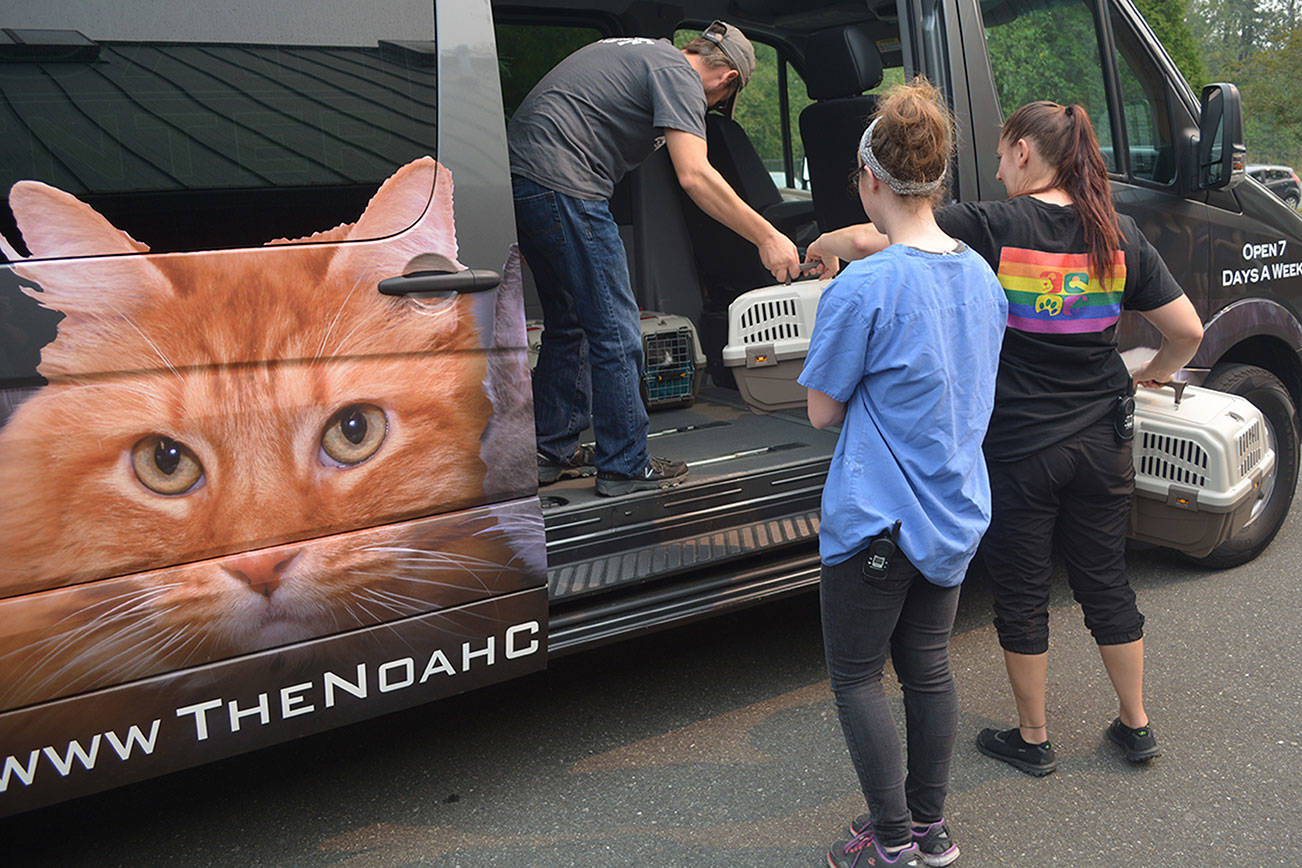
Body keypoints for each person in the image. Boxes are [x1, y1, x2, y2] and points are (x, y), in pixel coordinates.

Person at [806, 100, 1205, 777]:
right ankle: (1135, 724)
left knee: (1023, 592)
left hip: (1022, 443)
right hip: (1103, 437)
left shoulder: (994, 225)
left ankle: (1034, 736)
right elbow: (1188, 332)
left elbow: (888, 238)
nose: (996, 166)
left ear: (1024, 151)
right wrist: (1149, 377)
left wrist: (823, 245)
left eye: (999, 153)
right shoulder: (1119, 233)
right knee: (1105, 579)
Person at [799, 79, 1007, 868]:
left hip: (878, 519)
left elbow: (823, 411)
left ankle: (887, 842)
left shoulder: (866, 288)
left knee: (857, 677)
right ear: (938, 178)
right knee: (927, 666)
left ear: (870, 180)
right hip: (954, 510)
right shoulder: (981, 278)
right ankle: (930, 831)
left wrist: (834, 307)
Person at [509, 22, 801, 497]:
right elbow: (695, 176)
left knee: (572, 321)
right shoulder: (680, 77)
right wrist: (768, 236)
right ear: (727, 81)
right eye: (722, 103)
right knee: (616, 327)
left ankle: (549, 448)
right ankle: (624, 465)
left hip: (527, 180)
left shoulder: (646, 54)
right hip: (566, 185)